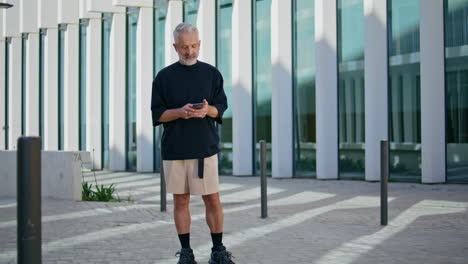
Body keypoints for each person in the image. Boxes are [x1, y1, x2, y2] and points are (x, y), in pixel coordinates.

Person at [151, 23, 234, 264]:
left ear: (200, 44)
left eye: (194, 46)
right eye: (185, 47)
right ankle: (186, 254)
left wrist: (208, 109)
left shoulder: (211, 74)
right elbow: (158, 115)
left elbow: (220, 108)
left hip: (204, 149)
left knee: (212, 199)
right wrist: (180, 112)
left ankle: (218, 251)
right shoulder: (164, 77)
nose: (190, 52)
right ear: (175, 47)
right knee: (181, 200)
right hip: (175, 149)